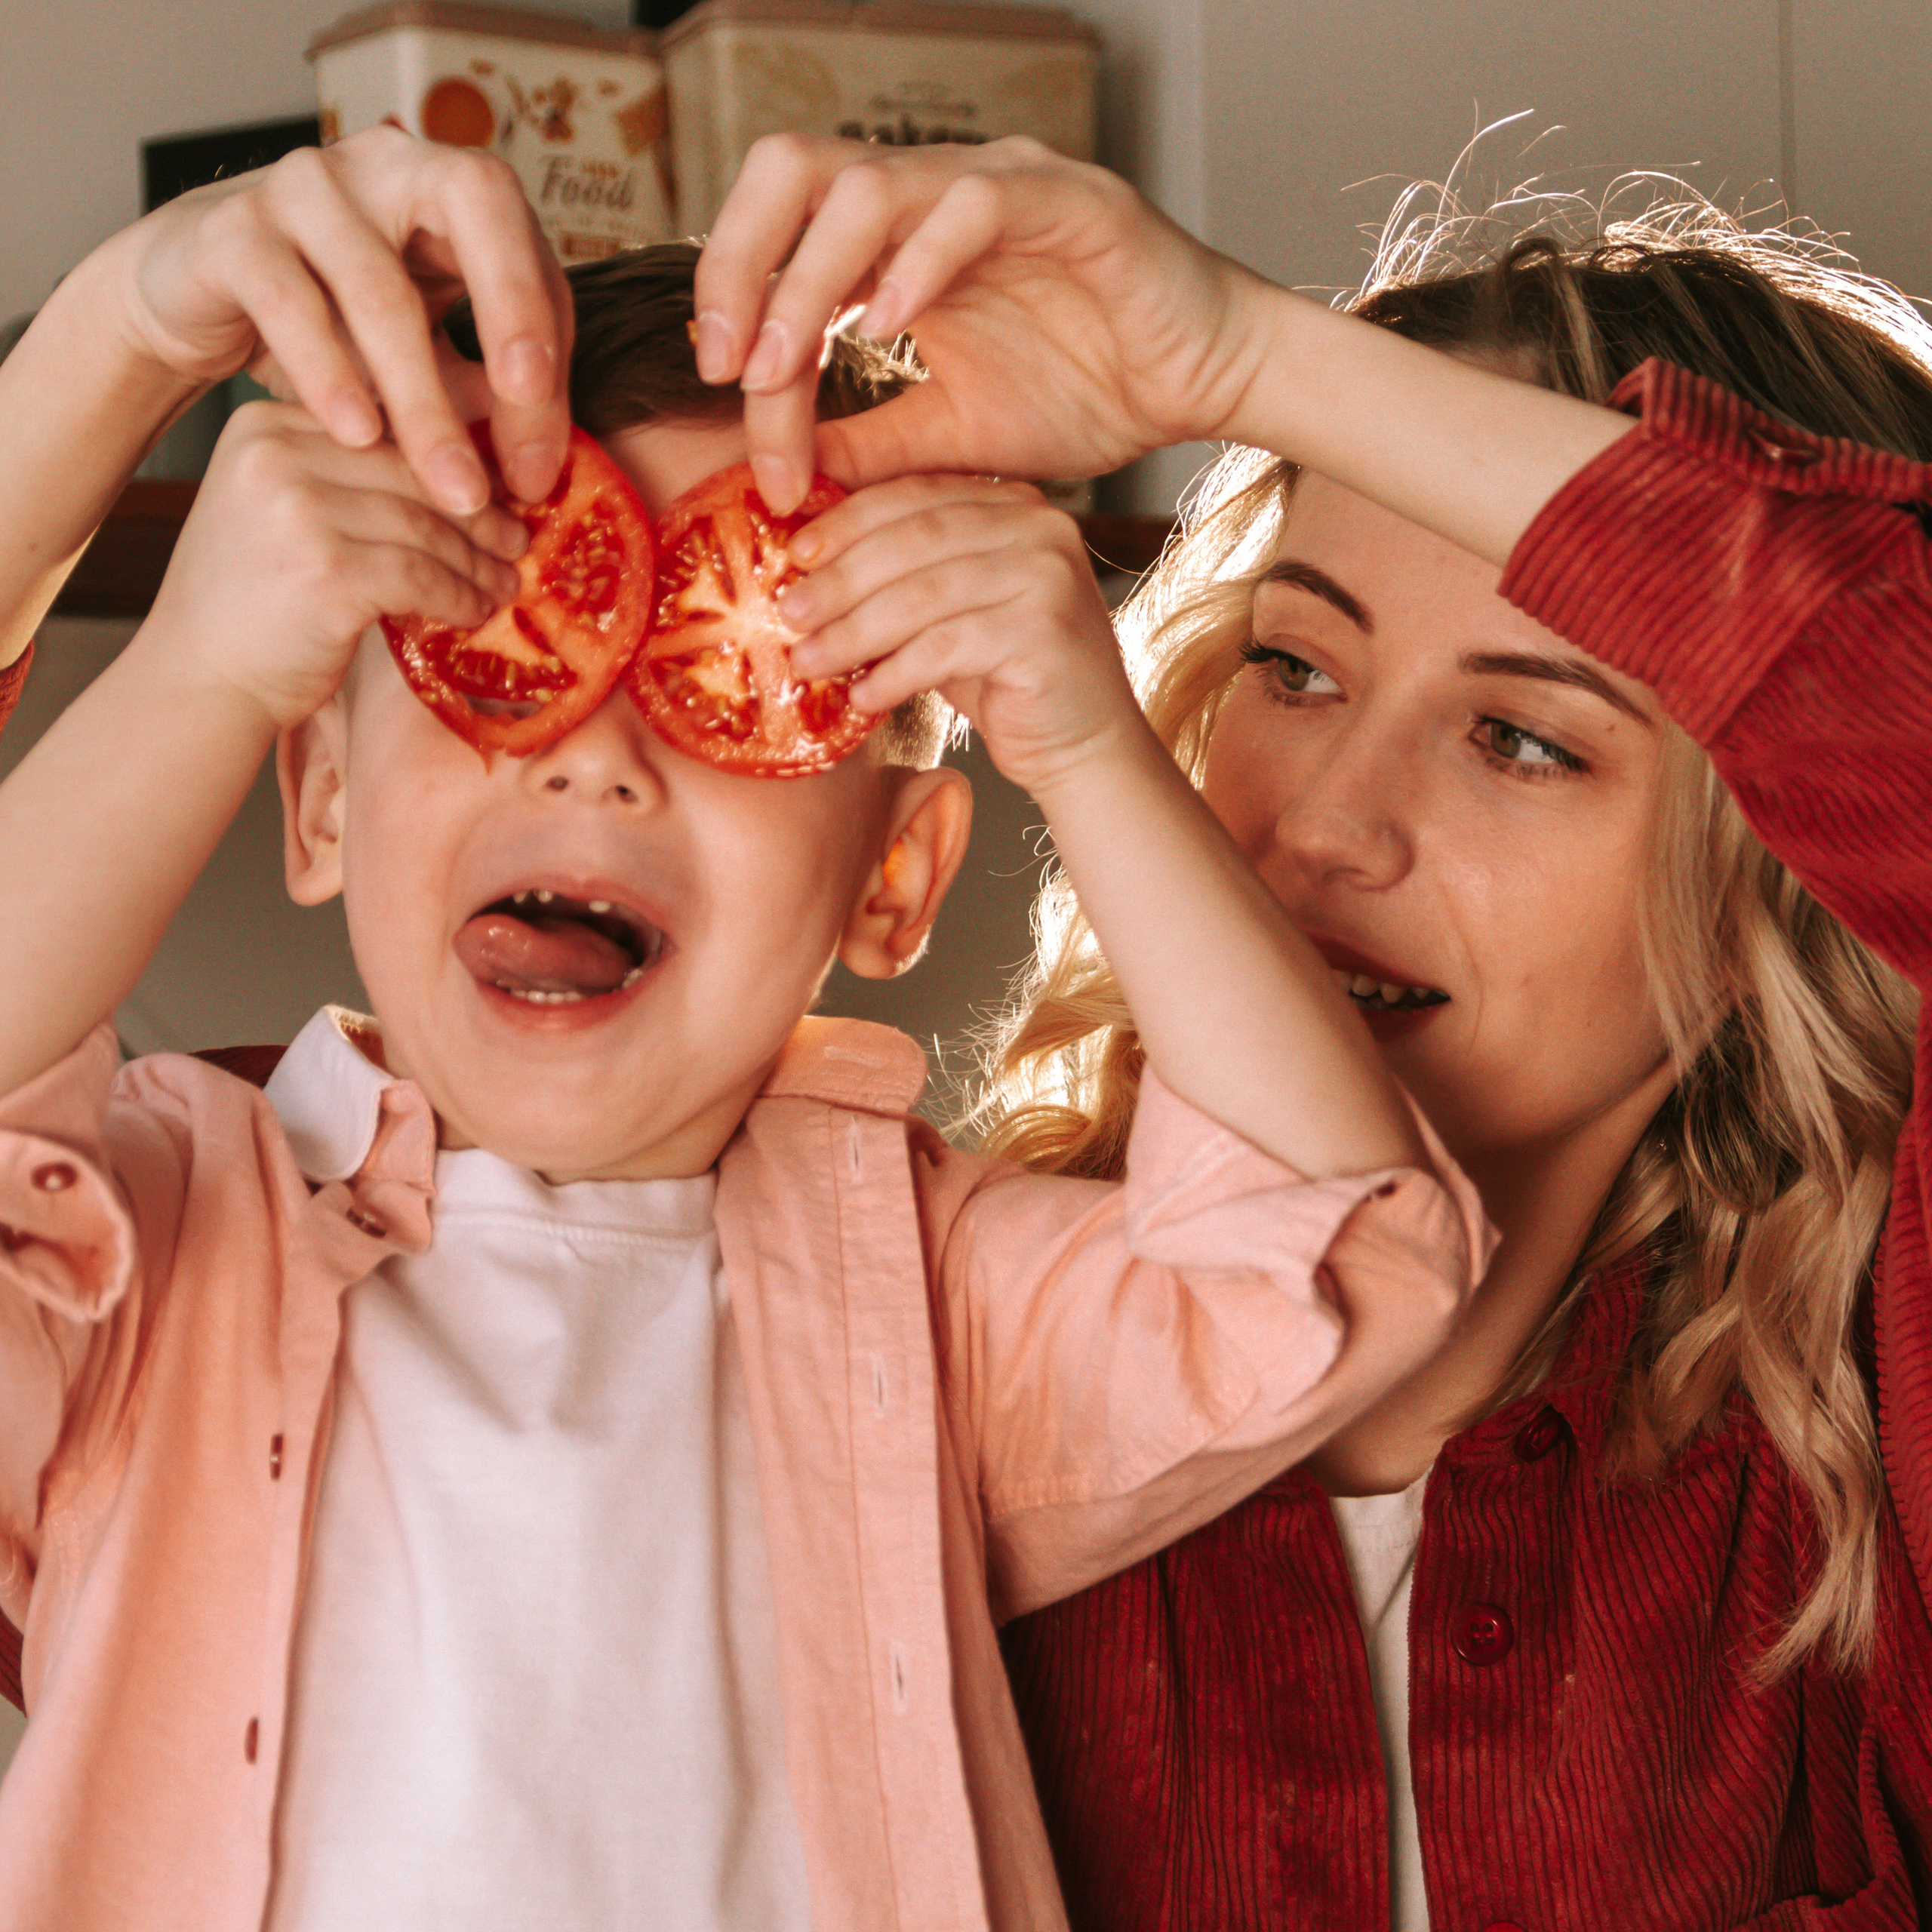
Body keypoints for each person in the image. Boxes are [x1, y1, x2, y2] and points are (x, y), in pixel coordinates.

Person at [0, 186, 1484, 1931]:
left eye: (743, 673)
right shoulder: (151, 1229)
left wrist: (1081, 740)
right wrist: (194, 672)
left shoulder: (932, 1294)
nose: (600, 762)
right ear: (321, 791)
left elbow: (1334, 1241)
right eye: (503, 648)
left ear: (892, 874)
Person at [694, 140, 1932, 1924]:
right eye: (1293, 667)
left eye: (1523, 737)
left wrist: (1240, 359)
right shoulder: (912, 1364)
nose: (1324, 825)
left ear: (1782, 871)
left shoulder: (1852, 1490)